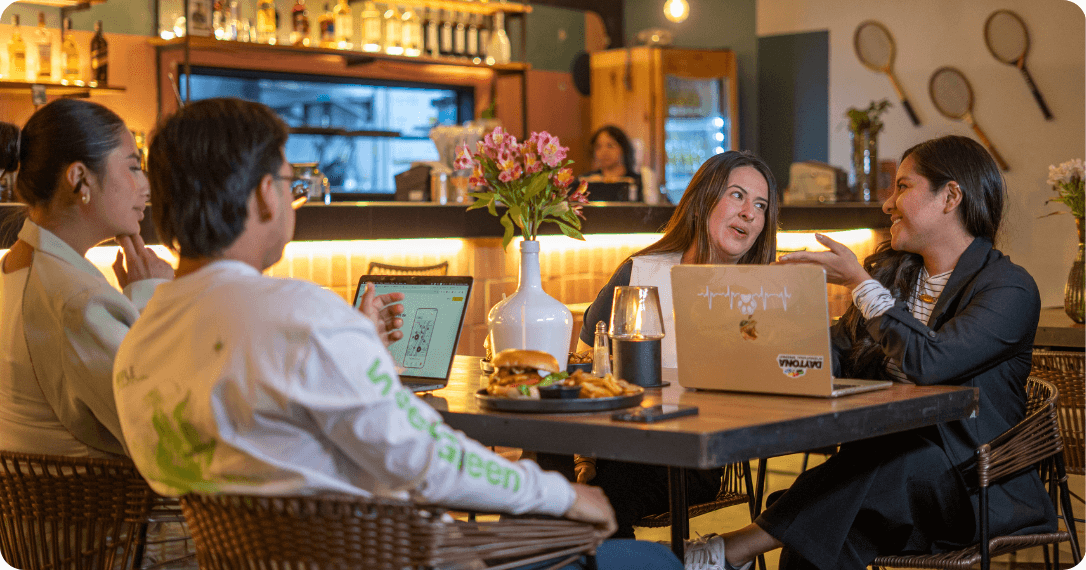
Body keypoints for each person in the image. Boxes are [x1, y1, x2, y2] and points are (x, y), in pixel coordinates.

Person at [113, 97, 682, 570]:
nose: (293, 197)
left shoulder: (138, 339)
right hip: (390, 559)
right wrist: (562, 495)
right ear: (265, 193)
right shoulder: (300, 315)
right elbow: (423, 458)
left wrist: (354, 345)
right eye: (291, 181)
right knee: (654, 563)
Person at [683, 135, 1056, 570]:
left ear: (950, 196)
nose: (886, 204)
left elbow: (929, 363)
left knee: (885, 463)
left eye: (902, 186)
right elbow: (835, 356)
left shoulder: (1009, 288)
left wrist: (861, 286)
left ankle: (739, 546)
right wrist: (774, 320)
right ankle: (742, 548)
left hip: (974, 484)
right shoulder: (892, 276)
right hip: (887, 489)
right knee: (820, 545)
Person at [541, 150, 779, 540]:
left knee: (602, 494)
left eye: (760, 205)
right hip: (615, 442)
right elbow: (585, 365)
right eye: (737, 195)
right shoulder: (640, 271)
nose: (750, 212)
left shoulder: (765, 291)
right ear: (703, 201)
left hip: (692, 456)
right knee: (545, 475)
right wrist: (584, 455)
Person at [0, 99, 174, 458]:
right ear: (80, 178)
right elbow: (164, 439)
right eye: (134, 167)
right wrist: (152, 296)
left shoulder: (15, 271)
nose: (146, 186)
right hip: (104, 511)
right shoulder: (78, 302)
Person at [580, 125, 643, 201]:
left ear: (623, 148)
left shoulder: (638, 182)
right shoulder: (585, 182)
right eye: (598, 147)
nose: (604, 152)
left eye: (610, 146)